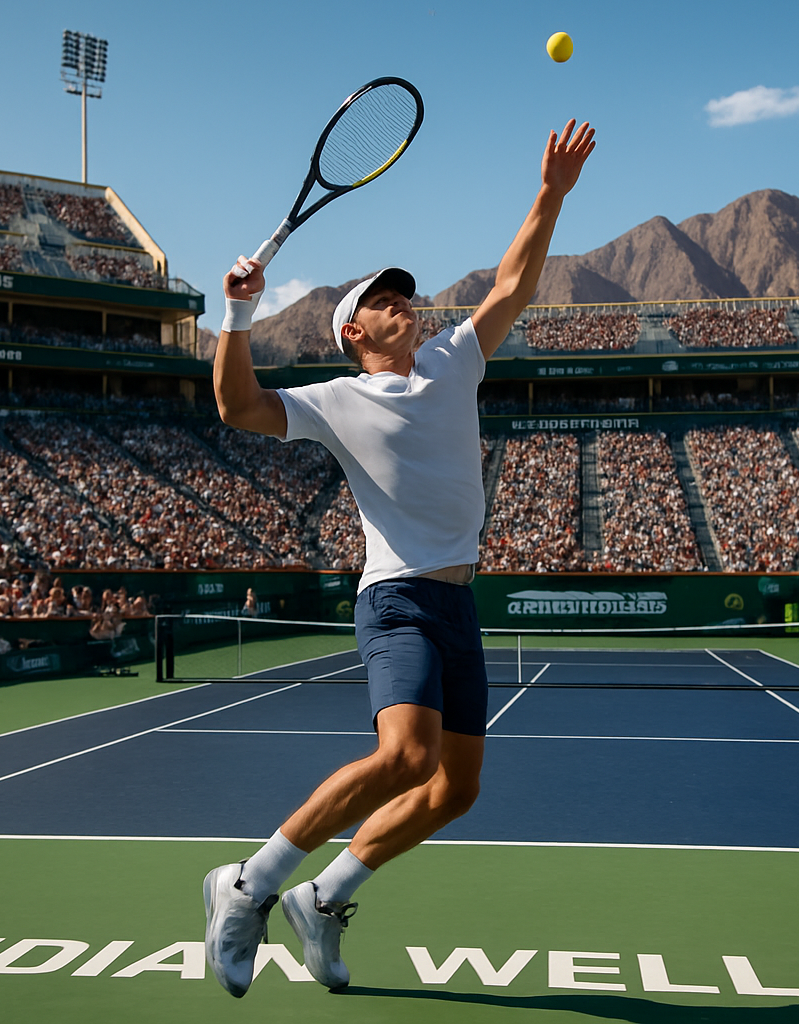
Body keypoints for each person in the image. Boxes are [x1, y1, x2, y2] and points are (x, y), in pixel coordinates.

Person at [203, 118, 595, 997]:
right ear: (354, 329)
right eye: (385, 298)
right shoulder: (336, 398)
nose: (405, 302)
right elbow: (236, 408)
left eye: (405, 293)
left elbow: (513, 282)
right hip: (398, 601)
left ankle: (327, 897)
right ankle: (246, 884)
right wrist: (237, 312)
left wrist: (551, 195)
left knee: (456, 790)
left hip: (458, 605)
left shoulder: (456, 357)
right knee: (404, 758)